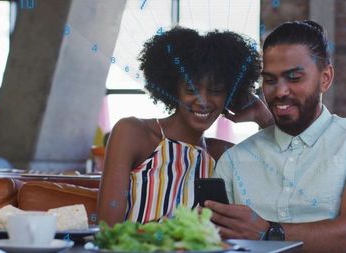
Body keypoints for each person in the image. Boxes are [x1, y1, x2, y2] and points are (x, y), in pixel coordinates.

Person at [206, 21, 346, 253]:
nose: (280, 91)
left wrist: (269, 233)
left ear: (325, 78)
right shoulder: (234, 160)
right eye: (270, 80)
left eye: (294, 78)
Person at [97, 27, 273, 226]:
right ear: (173, 88)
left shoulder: (222, 153)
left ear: (230, 95)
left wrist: (263, 116)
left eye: (215, 91)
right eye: (191, 89)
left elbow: (282, 177)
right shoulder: (133, 133)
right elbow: (106, 227)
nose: (203, 101)